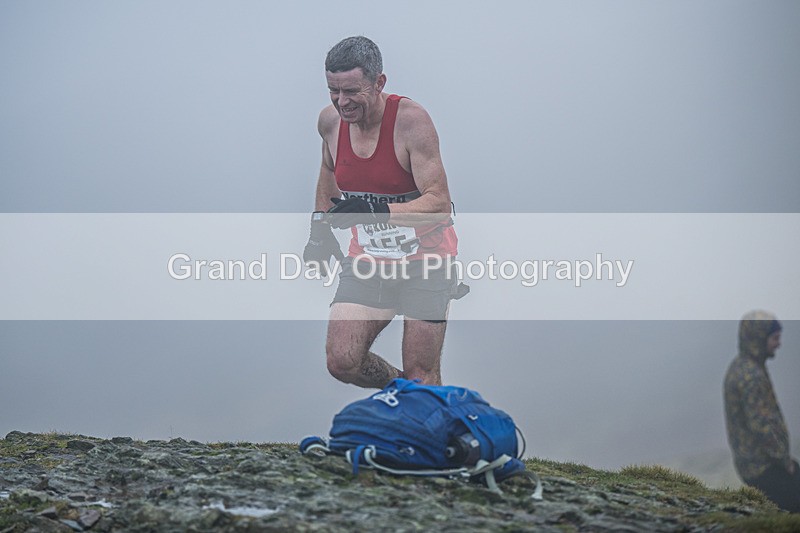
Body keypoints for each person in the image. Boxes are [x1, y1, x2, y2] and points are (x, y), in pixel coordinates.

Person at [303, 36, 462, 389]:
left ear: (379, 83)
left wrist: (377, 210)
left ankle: (426, 418)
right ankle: (404, 389)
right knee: (342, 360)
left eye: (352, 91)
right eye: (333, 90)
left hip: (427, 259)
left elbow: (438, 203)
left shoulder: (411, 122)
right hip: (369, 259)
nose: (342, 102)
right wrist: (319, 230)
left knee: (423, 372)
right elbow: (328, 171)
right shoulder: (329, 122)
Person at [724, 310, 799, 512]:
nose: (779, 343)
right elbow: (763, 426)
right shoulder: (751, 377)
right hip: (763, 467)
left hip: (754, 464)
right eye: (775, 338)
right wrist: (785, 461)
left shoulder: (743, 367)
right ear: (758, 339)